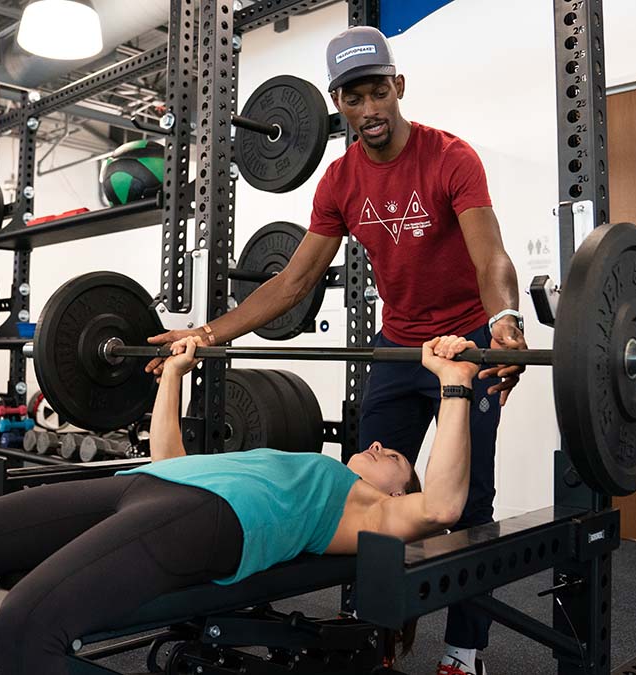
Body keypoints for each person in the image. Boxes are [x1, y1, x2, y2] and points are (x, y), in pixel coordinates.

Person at [145, 26, 523, 675]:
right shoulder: (339, 182)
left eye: (378, 91)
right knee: (360, 493)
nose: (369, 107)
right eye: (354, 96)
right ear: (338, 102)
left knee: (467, 500)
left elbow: (491, 255)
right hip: (397, 345)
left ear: (397, 87)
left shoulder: (451, 157)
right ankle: (370, 636)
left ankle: (465, 652)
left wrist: (506, 323)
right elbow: (291, 282)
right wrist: (203, 336)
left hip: (465, 341)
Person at [0, 335, 479, 675]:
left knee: (27, 626)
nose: (378, 444)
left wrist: (453, 384)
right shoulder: (302, 461)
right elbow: (171, 458)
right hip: (137, 484)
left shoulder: (365, 509)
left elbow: (445, 506)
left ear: (399, 492)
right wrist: (173, 374)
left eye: (397, 458)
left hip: (203, 520)